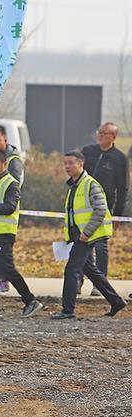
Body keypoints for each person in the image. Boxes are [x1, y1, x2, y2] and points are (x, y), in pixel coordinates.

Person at [51, 151, 126, 320]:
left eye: (71, 163)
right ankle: (116, 301)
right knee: (90, 270)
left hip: (87, 236)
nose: (67, 167)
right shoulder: (74, 185)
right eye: (65, 163)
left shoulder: (90, 184)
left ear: (81, 164)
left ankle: (67, 310)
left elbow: (100, 210)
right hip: (80, 236)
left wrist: (87, 232)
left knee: (71, 270)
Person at [0, 149, 43, 317]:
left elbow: (9, 207)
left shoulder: (11, 183)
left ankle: (31, 301)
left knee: (7, 270)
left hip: (2, 236)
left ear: (4, 164)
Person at [80, 122, 128, 294]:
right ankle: (77, 280)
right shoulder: (87, 152)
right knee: (81, 244)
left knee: (100, 246)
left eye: (104, 133)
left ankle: (99, 285)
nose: (100, 135)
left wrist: (118, 214)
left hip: (104, 209)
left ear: (113, 137)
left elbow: (122, 188)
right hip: (82, 207)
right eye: (99, 132)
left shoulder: (119, 158)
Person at [0, 124, 25, 294]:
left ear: (5, 140)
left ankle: (6, 283)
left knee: (4, 259)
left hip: (4, 216)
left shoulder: (13, 161)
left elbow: (12, 186)